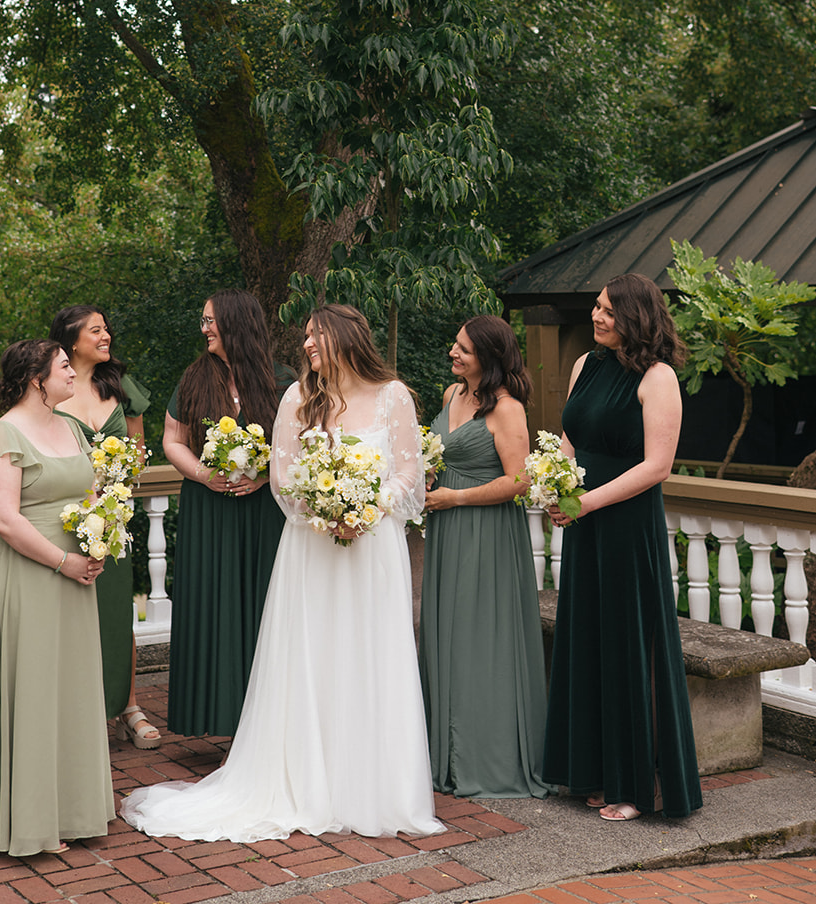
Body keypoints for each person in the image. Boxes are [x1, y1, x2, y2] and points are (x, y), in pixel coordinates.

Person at [123, 304, 443, 841]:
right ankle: (303, 779)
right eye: (307, 339)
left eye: (316, 337)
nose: (308, 346)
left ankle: (373, 784)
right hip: (311, 548)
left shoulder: (394, 396)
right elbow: (283, 476)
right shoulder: (298, 397)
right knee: (312, 653)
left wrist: (366, 506)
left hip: (372, 546)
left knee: (370, 652)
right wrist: (324, 511)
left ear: (344, 338)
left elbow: (411, 473)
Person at [0, 340, 114, 857]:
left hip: (76, 574)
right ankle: (27, 817)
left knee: (71, 689)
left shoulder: (72, 428)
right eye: (64, 367)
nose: (72, 373)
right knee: (33, 688)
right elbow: (5, 520)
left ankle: (72, 807)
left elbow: (90, 491)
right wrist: (64, 561)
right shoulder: (1, 436)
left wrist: (99, 536)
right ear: (37, 379)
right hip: (29, 575)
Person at [542, 274, 702, 821]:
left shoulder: (658, 379)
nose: (596, 316)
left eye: (608, 310)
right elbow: (570, 440)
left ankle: (631, 784)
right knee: (586, 637)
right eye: (595, 306)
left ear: (635, 317)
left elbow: (657, 466)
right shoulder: (584, 366)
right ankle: (589, 769)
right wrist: (555, 485)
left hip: (626, 526)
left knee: (628, 645)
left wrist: (587, 502)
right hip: (584, 521)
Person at [419, 315, 550, 799]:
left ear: (490, 359)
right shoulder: (453, 397)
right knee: (446, 632)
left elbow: (519, 481)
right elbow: (443, 454)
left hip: (487, 534)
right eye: (455, 345)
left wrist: (455, 498)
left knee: (480, 639)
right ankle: (444, 754)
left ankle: (483, 756)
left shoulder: (508, 409)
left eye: (465, 351)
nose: (454, 354)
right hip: (448, 531)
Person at [163, 289, 292, 736]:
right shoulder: (194, 378)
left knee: (264, 605)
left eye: (211, 321)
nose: (205, 329)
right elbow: (172, 441)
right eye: (202, 321)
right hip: (209, 510)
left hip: (264, 511)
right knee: (213, 604)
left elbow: (299, 445)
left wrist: (264, 475)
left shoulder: (283, 380)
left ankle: (268, 721)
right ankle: (217, 716)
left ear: (237, 322)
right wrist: (202, 474)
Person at [51, 303, 160, 747]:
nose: (105, 336)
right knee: (71, 615)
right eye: (95, 330)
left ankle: (128, 705)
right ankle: (80, 709)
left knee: (117, 612)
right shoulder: (53, 385)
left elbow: (137, 450)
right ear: (71, 339)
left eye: (106, 329)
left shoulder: (121, 386)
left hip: (113, 517)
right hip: (65, 516)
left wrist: (119, 478)